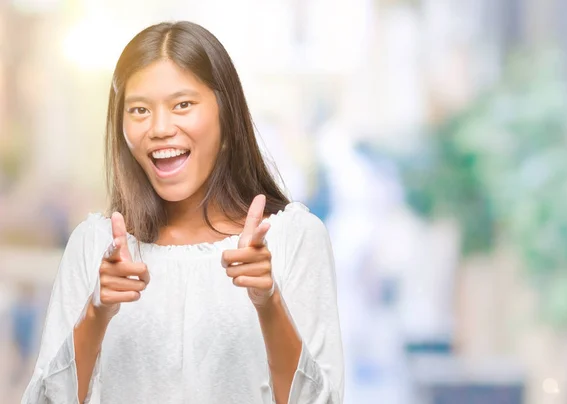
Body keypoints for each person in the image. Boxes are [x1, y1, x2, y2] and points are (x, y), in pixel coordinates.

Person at [21, 21, 343, 404]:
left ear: (227, 113)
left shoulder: (292, 239)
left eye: (183, 105)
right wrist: (96, 312)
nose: (159, 128)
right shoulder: (96, 247)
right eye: (139, 110)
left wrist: (268, 302)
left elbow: (322, 400)